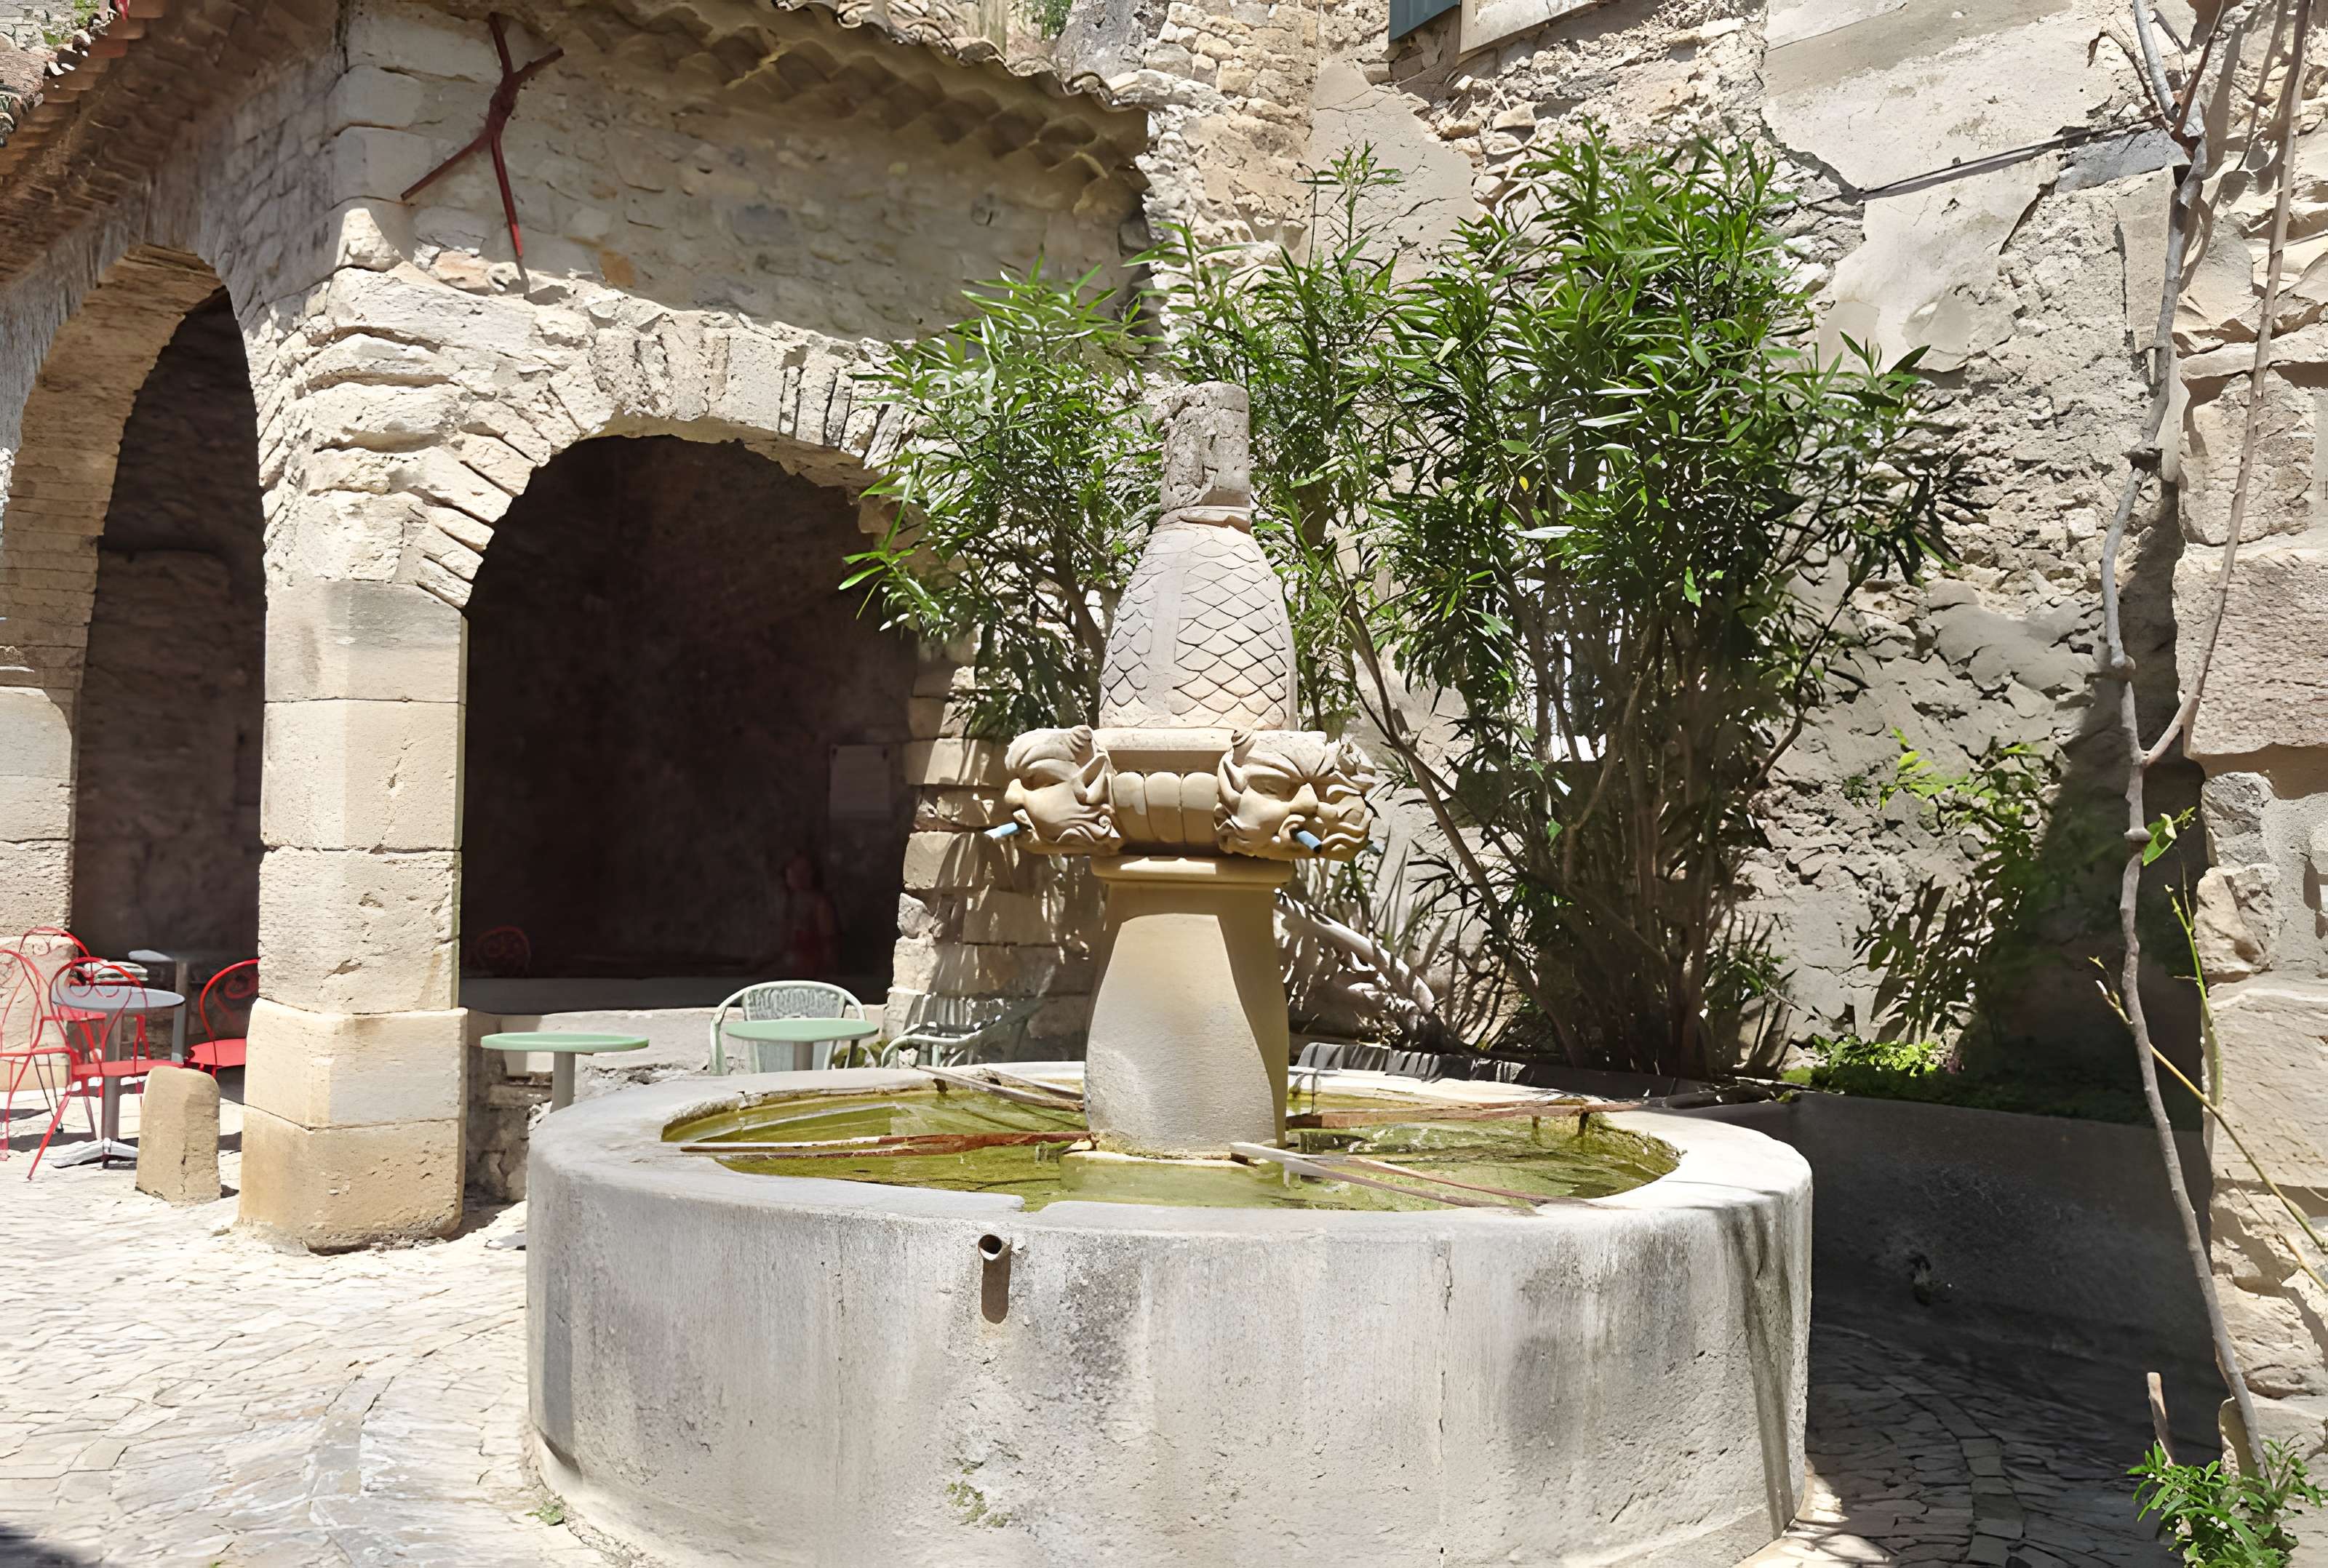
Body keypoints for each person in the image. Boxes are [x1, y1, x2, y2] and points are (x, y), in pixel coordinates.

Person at [780, 851, 840, 980]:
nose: (798, 875)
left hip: (812, 972)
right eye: (793, 870)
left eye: (804, 870)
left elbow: (829, 944)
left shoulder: (821, 904)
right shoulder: (789, 902)